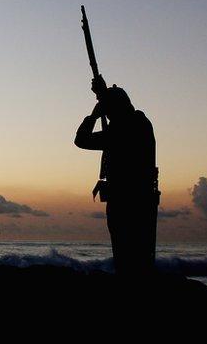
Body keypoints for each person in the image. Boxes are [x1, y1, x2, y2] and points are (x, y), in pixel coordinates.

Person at [75, 77, 158, 276]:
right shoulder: (139, 123)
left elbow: (81, 139)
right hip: (139, 198)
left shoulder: (123, 129)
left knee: (128, 256)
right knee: (138, 256)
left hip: (127, 200)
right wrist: (102, 95)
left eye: (108, 109)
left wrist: (94, 116)